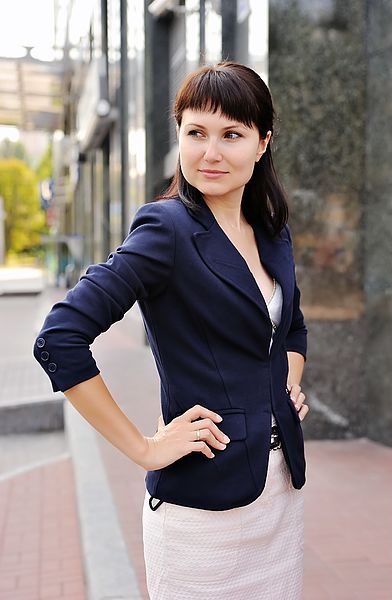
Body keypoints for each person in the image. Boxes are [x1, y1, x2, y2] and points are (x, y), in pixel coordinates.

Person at [33, 61, 309, 599]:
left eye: (232, 135)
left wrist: (287, 382)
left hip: (279, 493)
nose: (211, 153)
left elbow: (291, 327)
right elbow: (59, 338)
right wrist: (143, 448)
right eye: (196, 133)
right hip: (202, 510)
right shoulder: (166, 230)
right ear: (178, 137)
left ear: (261, 143)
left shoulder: (271, 229)